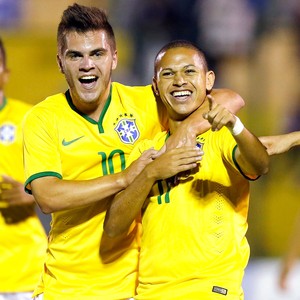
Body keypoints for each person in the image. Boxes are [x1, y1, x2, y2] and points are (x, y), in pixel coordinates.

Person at [23, 4, 245, 300]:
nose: (87, 64)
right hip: (68, 287)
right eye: (75, 55)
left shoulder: (144, 104)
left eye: (97, 54)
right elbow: (48, 196)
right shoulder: (43, 118)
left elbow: (229, 98)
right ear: (61, 62)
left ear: (114, 58)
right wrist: (127, 177)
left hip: (134, 287)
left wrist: (186, 133)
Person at [104, 40, 269, 300]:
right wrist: (150, 173)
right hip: (151, 292)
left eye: (189, 71)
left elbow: (260, 164)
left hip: (210, 289)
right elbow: (113, 227)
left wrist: (236, 126)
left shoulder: (222, 137)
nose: (179, 80)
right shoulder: (146, 150)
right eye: (168, 74)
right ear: (156, 87)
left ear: (209, 80)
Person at [0, 37, 47, 300]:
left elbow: (73, 180)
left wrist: (32, 193)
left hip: (26, 271)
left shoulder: (31, 120)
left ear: (5, 73)